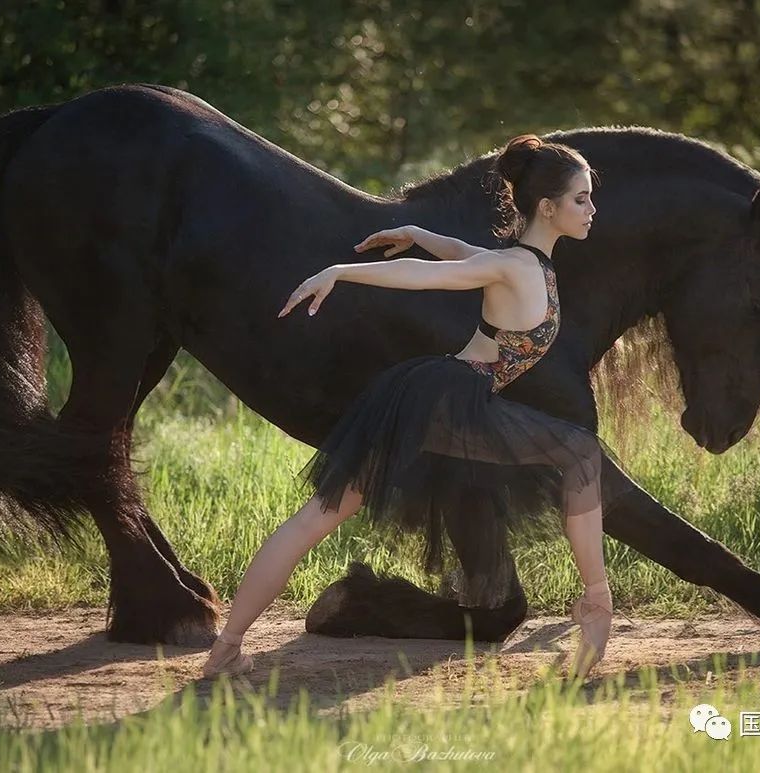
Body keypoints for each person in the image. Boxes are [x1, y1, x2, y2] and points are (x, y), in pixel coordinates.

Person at [202, 134, 634, 680]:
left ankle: (228, 645)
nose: (593, 210)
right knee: (578, 453)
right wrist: (343, 272)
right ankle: (597, 601)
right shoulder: (519, 269)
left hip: (431, 399)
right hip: (452, 400)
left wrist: (418, 233)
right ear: (547, 207)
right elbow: (430, 277)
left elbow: (464, 257)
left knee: (317, 518)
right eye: (582, 199)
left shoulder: (523, 263)